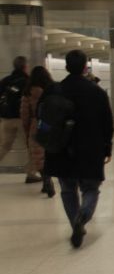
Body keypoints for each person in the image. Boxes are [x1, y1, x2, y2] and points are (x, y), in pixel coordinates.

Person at [43, 50, 114, 248]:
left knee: (67, 189)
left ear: (66, 67)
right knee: (90, 188)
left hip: (60, 149)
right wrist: (107, 148)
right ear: (85, 67)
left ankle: (75, 221)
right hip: (90, 149)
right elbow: (107, 123)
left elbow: (43, 119)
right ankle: (82, 217)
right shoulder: (96, 92)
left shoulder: (54, 90)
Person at [0, 56, 39, 183]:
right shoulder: (28, 81)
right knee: (31, 146)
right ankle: (31, 173)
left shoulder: (5, 81)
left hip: (6, 119)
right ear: (25, 66)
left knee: (4, 146)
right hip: (22, 119)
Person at [20, 66, 55, 197]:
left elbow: (24, 114)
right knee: (50, 154)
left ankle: (47, 181)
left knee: (38, 156)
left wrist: (27, 129)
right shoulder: (51, 89)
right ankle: (49, 180)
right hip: (51, 124)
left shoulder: (28, 92)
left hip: (37, 124)